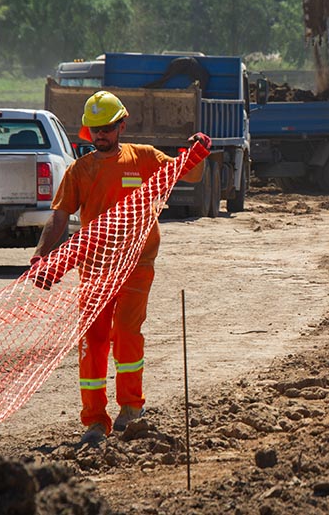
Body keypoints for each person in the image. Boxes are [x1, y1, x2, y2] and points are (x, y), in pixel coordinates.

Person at [31, 90, 208, 444]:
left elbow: (188, 175)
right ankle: (94, 421)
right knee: (93, 341)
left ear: (121, 126)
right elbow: (60, 215)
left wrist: (198, 152)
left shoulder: (142, 158)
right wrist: (41, 256)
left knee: (127, 334)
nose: (101, 135)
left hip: (137, 264)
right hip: (95, 268)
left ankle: (131, 411)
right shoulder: (80, 170)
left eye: (107, 128)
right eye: (95, 128)